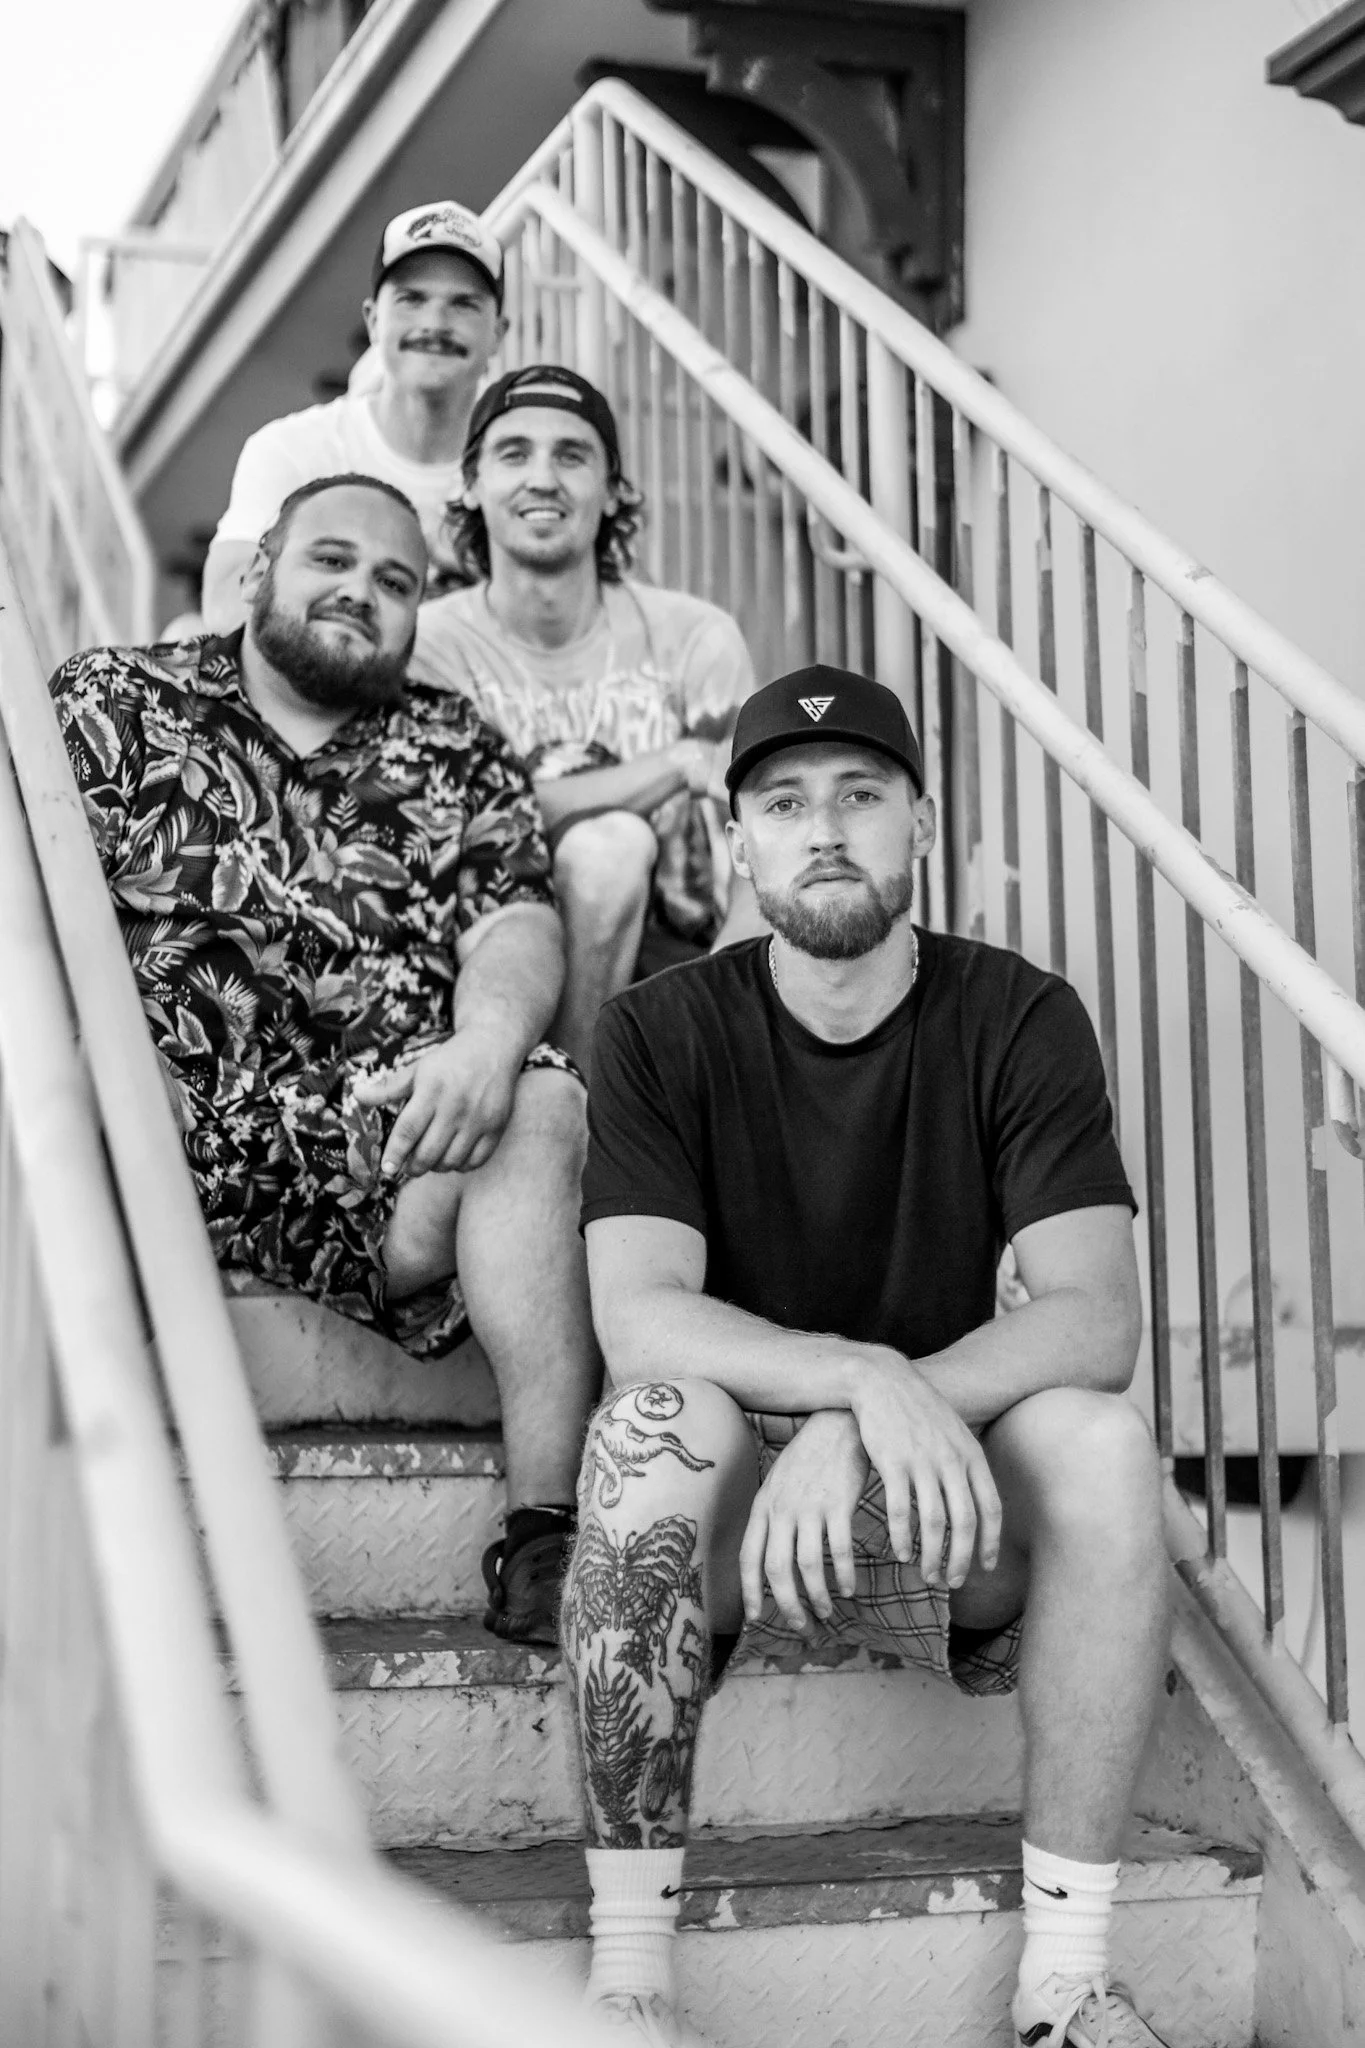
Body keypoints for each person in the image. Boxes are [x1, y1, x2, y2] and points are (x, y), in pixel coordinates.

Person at [562, 665, 1171, 2047]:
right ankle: (630, 1982)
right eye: (783, 801)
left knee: (1102, 1439)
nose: (822, 828)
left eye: (858, 795)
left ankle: (1064, 1978)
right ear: (735, 843)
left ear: (917, 827)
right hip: (733, 1502)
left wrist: (885, 1402)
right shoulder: (658, 1028)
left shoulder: (1019, 1015)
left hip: (933, 1484)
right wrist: (853, 1375)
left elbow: (1094, 1317)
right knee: (651, 1424)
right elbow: (639, 1315)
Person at [51, 473, 597, 1644]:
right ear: (258, 573)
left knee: (544, 1102)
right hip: (161, 1140)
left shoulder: (454, 745)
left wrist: (486, 1045)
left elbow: (515, 918)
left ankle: (546, 1527)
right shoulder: (114, 700)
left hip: (384, 1148)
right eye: (332, 559)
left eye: (396, 582)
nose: (361, 592)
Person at [409, 365, 764, 1078]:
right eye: (513, 454)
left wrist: (732, 996)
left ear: (610, 493)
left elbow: (759, 847)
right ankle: (570, 1106)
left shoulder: (694, 638)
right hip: (482, 966)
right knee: (606, 848)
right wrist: (676, 764)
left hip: (673, 962)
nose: (543, 477)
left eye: (571, 456)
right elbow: (450, 828)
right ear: (472, 487)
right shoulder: (428, 647)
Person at [201, 202, 507, 631]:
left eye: (464, 304)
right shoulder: (296, 449)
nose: (435, 322)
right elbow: (226, 609)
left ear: (498, 333)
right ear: (373, 320)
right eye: (411, 299)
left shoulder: (523, 473)